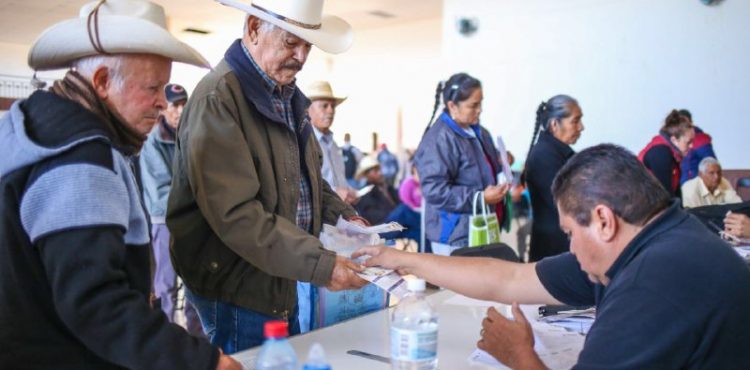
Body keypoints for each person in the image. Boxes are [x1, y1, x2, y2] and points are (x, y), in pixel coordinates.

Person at [354, 144, 750, 369]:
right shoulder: (658, 237)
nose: (571, 247)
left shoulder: (652, 283)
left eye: (569, 234)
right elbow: (507, 279)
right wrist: (400, 259)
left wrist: (520, 355)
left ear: (603, 221)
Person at [0, 1, 240, 369]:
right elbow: (96, 303)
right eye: (152, 88)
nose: (162, 102)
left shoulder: (32, 128)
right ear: (101, 82)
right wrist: (202, 361)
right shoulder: (80, 159)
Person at [166, 0, 368, 353]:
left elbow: (306, 181)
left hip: (279, 273)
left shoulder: (287, 97)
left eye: (308, 45)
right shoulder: (219, 98)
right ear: (254, 28)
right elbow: (237, 215)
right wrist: (322, 266)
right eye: (292, 42)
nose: (302, 56)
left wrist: (345, 218)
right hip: (237, 283)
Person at [414, 73, 510, 256]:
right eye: (473, 105)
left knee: (481, 283)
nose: (480, 110)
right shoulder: (439, 140)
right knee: (460, 284)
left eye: (481, 103)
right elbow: (435, 190)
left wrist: (500, 160)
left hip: (480, 226)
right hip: (454, 234)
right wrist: (480, 198)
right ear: (452, 106)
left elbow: (479, 167)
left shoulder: (479, 132)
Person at [139, 83, 202, 337]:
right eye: (175, 105)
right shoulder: (152, 141)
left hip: (191, 219)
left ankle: (199, 339)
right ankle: (166, 344)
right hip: (164, 221)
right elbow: (162, 191)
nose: (180, 110)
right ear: (163, 108)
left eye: (183, 103)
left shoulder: (188, 136)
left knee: (195, 284)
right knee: (166, 286)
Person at [524, 95, 584, 261]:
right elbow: (567, 203)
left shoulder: (559, 153)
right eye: (575, 121)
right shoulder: (545, 156)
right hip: (553, 249)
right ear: (554, 124)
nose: (581, 127)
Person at [305, 80, 357, 204]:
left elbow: (340, 180)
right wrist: (335, 192)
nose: (330, 111)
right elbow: (304, 185)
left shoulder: (334, 146)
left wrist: (350, 191)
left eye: (333, 106)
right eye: (324, 106)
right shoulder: (304, 143)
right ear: (308, 110)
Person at [638, 109, 695, 197]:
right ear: (674, 140)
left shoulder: (673, 154)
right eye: (688, 142)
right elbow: (666, 196)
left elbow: (675, 191)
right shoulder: (661, 153)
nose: (692, 146)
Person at [355, 156, 401, 225]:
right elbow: (373, 215)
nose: (380, 173)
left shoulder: (388, 188)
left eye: (379, 170)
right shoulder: (366, 193)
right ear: (366, 174)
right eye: (375, 171)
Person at [677, 109, 716, 184]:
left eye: (685, 124)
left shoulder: (701, 140)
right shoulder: (676, 141)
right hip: (680, 185)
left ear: (691, 123)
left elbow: (711, 163)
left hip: (695, 184)